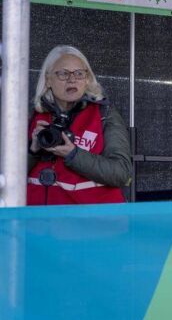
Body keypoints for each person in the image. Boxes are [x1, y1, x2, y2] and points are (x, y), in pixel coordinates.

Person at [27, 45, 132, 205]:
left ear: (87, 79)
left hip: (93, 223)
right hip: (38, 222)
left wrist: (73, 154)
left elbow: (122, 173)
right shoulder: (31, 115)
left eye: (79, 73)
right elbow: (6, 176)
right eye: (63, 73)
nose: (72, 79)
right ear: (48, 80)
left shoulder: (105, 114)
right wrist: (32, 150)